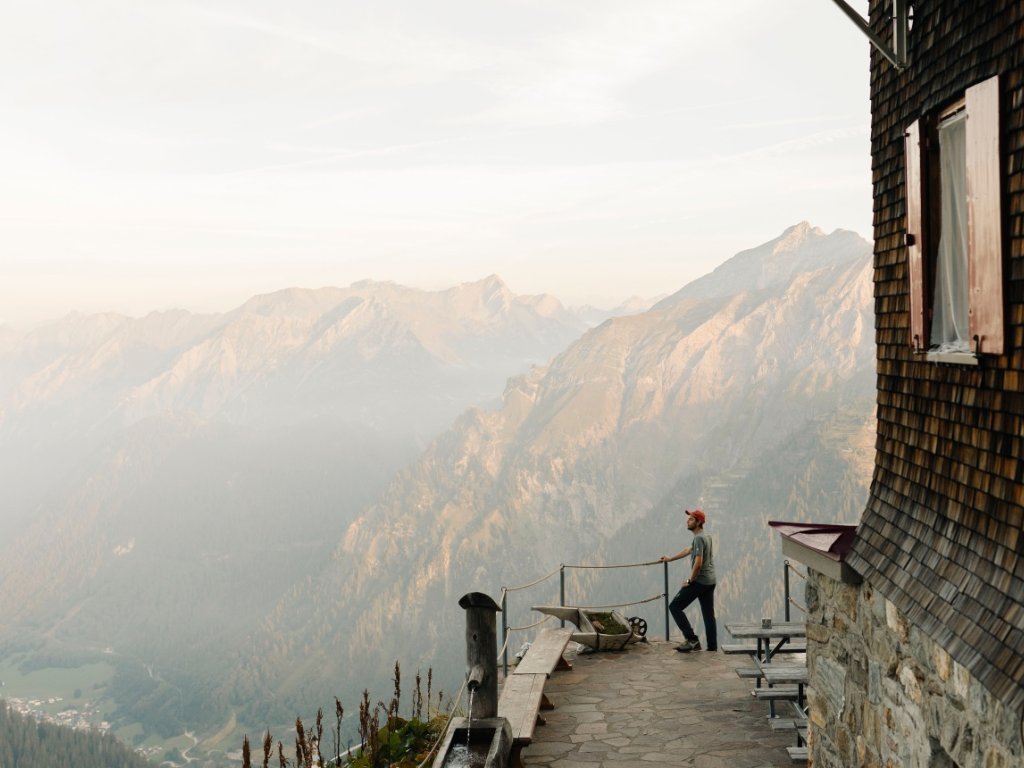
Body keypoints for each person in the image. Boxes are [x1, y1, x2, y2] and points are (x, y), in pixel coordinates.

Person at [659, 508, 717, 652]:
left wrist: (690, 581)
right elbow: (688, 550)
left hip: (699, 581)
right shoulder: (705, 536)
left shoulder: (698, 538)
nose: (688, 521)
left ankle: (692, 640)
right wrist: (671, 558)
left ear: (698, 522)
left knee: (674, 607)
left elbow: (698, 563)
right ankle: (712, 649)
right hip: (710, 581)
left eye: (691, 519)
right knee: (709, 616)